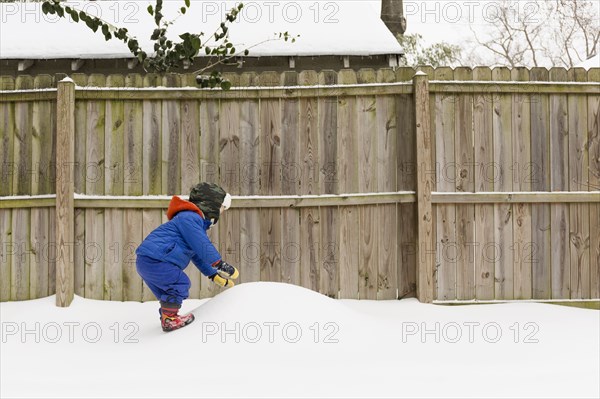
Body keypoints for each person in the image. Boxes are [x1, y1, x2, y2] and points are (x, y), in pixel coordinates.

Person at [135, 182, 239, 332]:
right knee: (180, 284)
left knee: (169, 293)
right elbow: (201, 244)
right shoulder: (190, 218)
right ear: (211, 205)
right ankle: (170, 319)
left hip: (149, 261)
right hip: (157, 260)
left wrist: (212, 274)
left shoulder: (191, 220)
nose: (222, 212)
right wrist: (219, 263)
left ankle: (168, 317)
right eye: (222, 207)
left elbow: (196, 254)